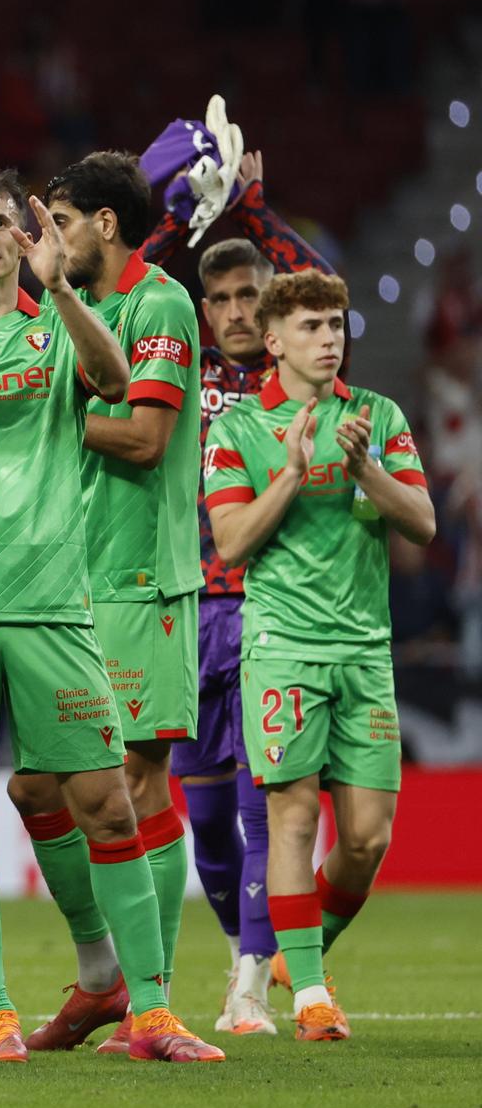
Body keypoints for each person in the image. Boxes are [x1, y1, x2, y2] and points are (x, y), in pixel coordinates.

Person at [0, 169, 221, 1064]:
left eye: (2, 223)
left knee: (107, 804)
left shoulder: (54, 331)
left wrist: (58, 282)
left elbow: (113, 377)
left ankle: (152, 1009)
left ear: (27, 238)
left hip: (55, 606)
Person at [2, 153, 203, 1055]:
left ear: (105, 226)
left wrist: (34, 412)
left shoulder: (159, 303)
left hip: (139, 579)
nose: (50, 241)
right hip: (70, 584)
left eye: (62, 224)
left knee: (137, 780)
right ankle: (105, 978)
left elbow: (148, 437)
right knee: (36, 785)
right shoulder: (66, 313)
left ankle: (145, 1002)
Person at [203, 270, 435, 1042]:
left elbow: (424, 525)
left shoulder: (377, 416)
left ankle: (297, 954)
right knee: (293, 818)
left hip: (364, 650)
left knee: (367, 837)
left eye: (336, 323)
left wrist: (365, 466)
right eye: (310, 326)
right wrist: (297, 472)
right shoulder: (236, 429)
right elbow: (231, 543)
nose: (329, 338)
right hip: (282, 648)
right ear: (274, 342)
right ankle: (309, 993)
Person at [144, 150, 336, 1033]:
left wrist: (253, 206)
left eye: (249, 298)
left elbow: (324, 291)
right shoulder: (177, 367)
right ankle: (244, 946)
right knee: (208, 825)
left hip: (269, 609)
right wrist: (179, 217)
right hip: (185, 611)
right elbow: (120, 287)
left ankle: (255, 979)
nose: (233, 313)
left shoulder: (290, 377)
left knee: (267, 812)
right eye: (217, 298)